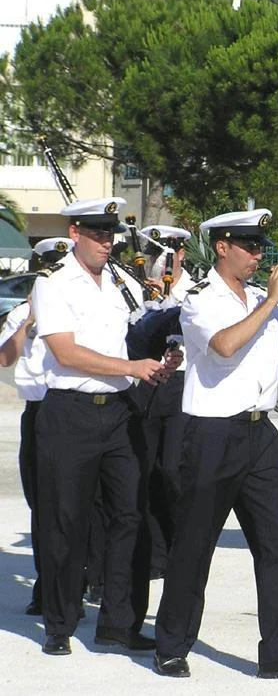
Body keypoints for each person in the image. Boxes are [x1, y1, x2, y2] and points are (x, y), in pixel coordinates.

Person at [152, 208, 278, 681]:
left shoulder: (259, 298)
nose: (257, 256)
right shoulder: (199, 298)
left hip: (259, 434)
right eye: (249, 247)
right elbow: (224, 347)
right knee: (194, 544)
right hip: (210, 433)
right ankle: (171, 644)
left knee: (276, 546)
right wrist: (269, 303)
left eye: (260, 249)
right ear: (222, 247)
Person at [31, 198, 179, 656]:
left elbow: (129, 343)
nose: (106, 243)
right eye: (97, 234)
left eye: (109, 235)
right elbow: (66, 354)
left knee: (131, 516)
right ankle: (60, 623)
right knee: (67, 520)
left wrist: (158, 365)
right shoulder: (53, 286)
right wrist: (130, 366)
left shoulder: (118, 285)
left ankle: (121, 622)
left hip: (119, 411)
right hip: (69, 413)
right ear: (75, 234)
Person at [0, 238, 72, 616]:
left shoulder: (80, 305)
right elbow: (5, 358)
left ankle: (82, 581)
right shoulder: (21, 315)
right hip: (40, 412)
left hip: (75, 409)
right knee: (43, 505)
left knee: (81, 504)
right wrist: (27, 321)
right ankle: (47, 586)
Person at [134, 225, 195, 577]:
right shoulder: (137, 290)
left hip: (181, 384)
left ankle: (179, 545)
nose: (159, 263)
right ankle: (155, 554)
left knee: (173, 469)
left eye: (167, 255)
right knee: (145, 471)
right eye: (154, 254)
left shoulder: (195, 292)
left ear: (181, 255)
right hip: (145, 383)